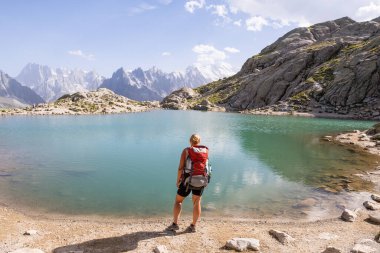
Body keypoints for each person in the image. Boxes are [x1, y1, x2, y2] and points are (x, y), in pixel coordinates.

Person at [166, 134, 209, 233]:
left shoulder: (186, 151)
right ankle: (193, 226)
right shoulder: (206, 151)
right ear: (199, 141)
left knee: (178, 201)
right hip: (201, 180)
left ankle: (175, 224)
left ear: (190, 141)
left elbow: (180, 168)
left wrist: (178, 181)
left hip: (186, 181)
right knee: (197, 202)